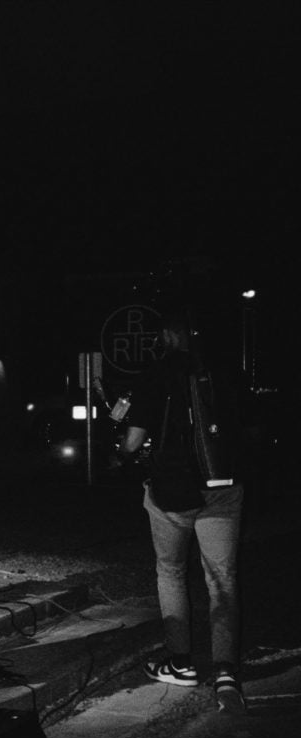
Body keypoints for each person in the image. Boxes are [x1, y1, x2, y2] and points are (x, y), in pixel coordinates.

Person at [121, 302, 246, 713]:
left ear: (167, 336)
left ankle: (180, 662)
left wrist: (122, 436)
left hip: (174, 492)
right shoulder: (227, 370)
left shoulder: (157, 373)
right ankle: (227, 670)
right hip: (223, 487)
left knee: (171, 571)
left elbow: (133, 443)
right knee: (222, 580)